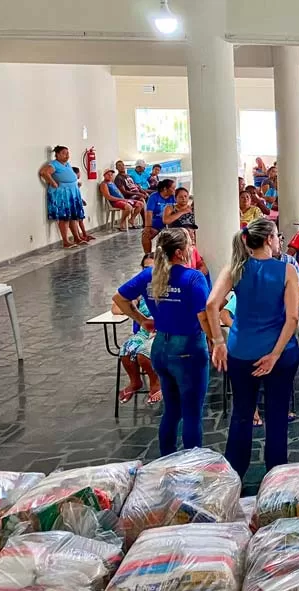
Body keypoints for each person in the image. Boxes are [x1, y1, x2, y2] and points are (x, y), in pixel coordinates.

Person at [206, 218, 299, 479]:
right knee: (278, 415)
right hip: (279, 353)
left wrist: (217, 343)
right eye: (277, 237)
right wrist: (275, 354)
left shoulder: (235, 269)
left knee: (242, 414)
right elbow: (292, 318)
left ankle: (234, 476)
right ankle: (276, 476)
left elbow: (212, 305)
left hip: (241, 351)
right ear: (269, 239)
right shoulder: (286, 271)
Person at [113, 229, 210, 456]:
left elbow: (119, 298)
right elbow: (204, 316)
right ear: (179, 252)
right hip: (188, 349)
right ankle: (192, 465)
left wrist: (142, 320)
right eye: (189, 245)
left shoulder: (149, 275)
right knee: (192, 413)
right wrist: (217, 342)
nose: (191, 249)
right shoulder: (193, 278)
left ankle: (166, 459)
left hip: (160, 349)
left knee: (172, 411)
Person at [112, 253, 161, 406]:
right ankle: (135, 381)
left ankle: (155, 382)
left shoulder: (166, 286)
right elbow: (116, 306)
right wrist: (140, 316)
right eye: (146, 268)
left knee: (143, 353)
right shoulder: (141, 289)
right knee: (126, 349)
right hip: (144, 330)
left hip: (161, 331)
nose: (149, 271)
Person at [39, 145, 87, 248]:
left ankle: (77, 238)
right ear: (57, 154)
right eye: (64, 153)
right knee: (64, 217)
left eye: (68, 153)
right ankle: (65, 241)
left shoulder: (67, 164)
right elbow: (44, 172)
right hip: (62, 194)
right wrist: (53, 183)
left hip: (72, 193)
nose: (67, 155)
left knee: (73, 217)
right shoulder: (54, 164)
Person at [142, 179, 176, 253]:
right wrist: (148, 227)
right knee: (145, 236)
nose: (174, 190)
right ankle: (147, 256)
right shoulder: (154, 197)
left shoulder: (174, 197)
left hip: (170, 223)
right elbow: (149, 213)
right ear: (165, 189)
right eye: (173, 188)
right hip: (157, 223)